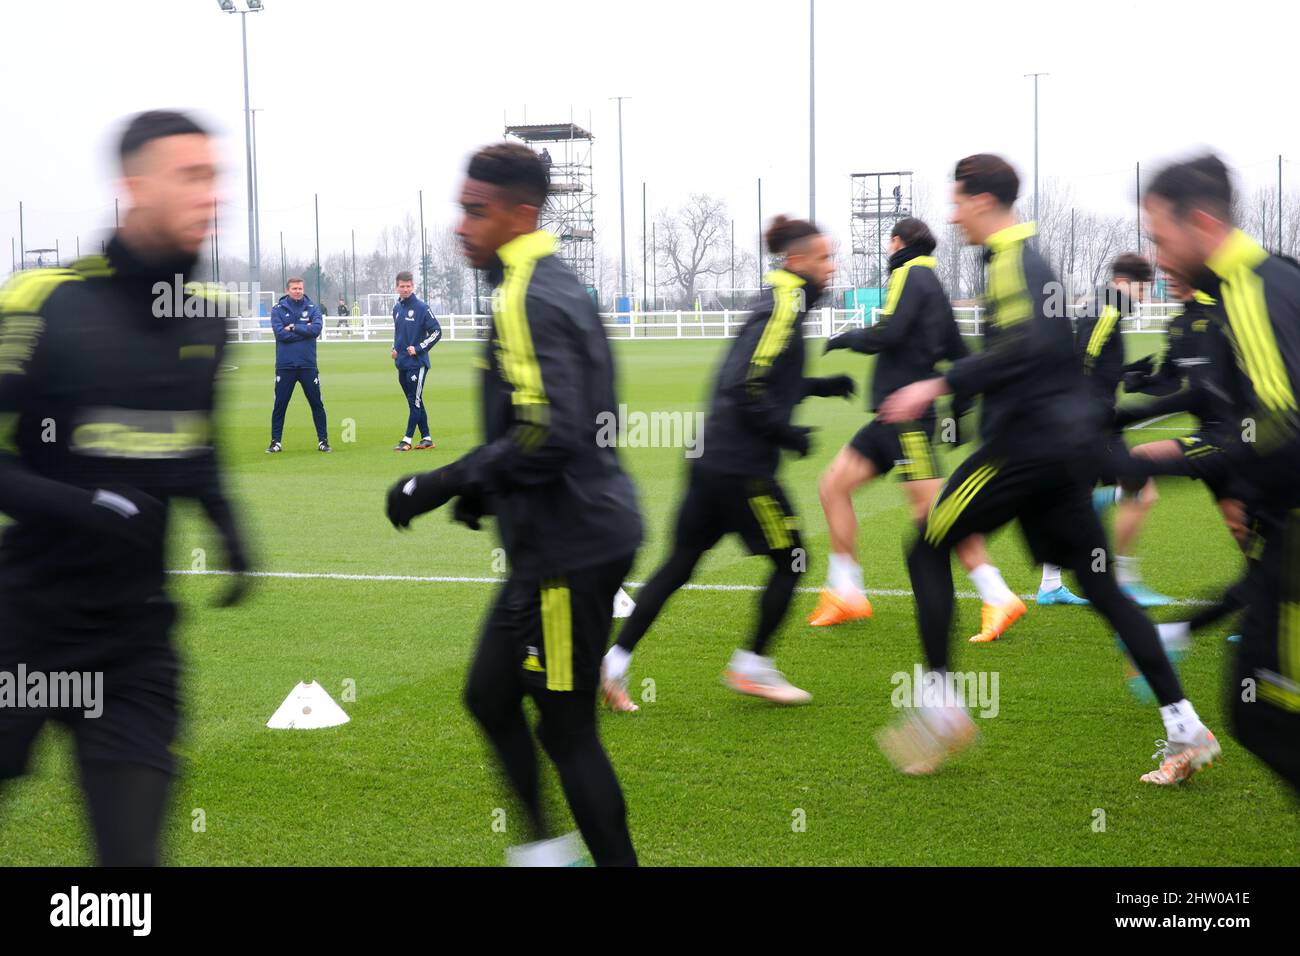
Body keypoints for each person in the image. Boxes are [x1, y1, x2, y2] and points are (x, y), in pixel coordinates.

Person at [876, 153, 1217, 783]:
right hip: (1062, 457)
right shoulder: (1023, 261)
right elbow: (1039, 351)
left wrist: (938, 385)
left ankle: (943, 708)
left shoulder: (1013, 259)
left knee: (925, 547)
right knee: (1103, 588)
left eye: (956, 201)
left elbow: (1031, 346)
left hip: (1021, 453)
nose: (951, 216)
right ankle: (1186, 729)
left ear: (982, 200)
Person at [0, 110, 249, 865]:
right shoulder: (43, 302)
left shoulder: (208, 324)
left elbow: (192, 450)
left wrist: (225, 524)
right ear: (134, 187)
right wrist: (83, 506)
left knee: (131, 872)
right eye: (191, 177)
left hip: (136, 643)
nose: (212, 197)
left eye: (215, 178)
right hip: (25, 627)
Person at [386, 143, 642, 865]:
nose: (461, 225)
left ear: (520, 213)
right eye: (461, 208)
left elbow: (551, 432)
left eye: (476, 211)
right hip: (551, 538)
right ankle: (544, 853)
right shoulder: (546, 282)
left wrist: (440, 484)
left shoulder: (529, 291)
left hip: (572, 547)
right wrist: (488, 492)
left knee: (566, 731)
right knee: (489, 697)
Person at [600, 215, 854, 712]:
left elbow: (765, 378)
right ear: (797, 260)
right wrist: (787, 432)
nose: (832, 267)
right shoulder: (785, 304)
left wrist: (819, 386)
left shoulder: (780, 302)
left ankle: (613, 665)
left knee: (677, 566)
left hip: (709, 460)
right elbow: (745, 384)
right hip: (742, 470)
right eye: (825, 258)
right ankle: (753, 666)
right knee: (792, 559)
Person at [1120, 154, 1300, 791]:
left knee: (1263, 712)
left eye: (1161, 239)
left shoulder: (1250, 290)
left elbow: (1280, 428)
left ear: (1201, 224)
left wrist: (1164, 457)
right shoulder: (1257, 283)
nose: (1158, 256)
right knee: (1259, 709)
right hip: (1279, 528)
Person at [813, 216, 1035, 636]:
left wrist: (847, 338)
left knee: (936, 516)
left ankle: (998, 595)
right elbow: (957, 348)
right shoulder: (933, 286)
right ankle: (846, 592)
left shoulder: (909, 273)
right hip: (888, 418)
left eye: (888, 243)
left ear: (898, 242)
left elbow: (888, 333)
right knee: (833, 486)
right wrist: (963, 404)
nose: (887, 252)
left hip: (908, 420)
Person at [267, 276, 330, 453]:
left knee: (317, 404)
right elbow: (280, 334)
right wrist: (305, 330)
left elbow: (316, 330)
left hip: (308, 365)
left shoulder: (313, 308)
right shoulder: (278, 309)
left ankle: (323, 441)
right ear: (288, 290)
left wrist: (293, 327)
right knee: (280, 405)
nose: (298, 291)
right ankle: (275, 442)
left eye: (300, 288)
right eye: (294, 289)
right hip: (285, 366)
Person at [390, 270, 441, 451]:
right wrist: (394, 348)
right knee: (414, 401)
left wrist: (419, 348)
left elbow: (437, 331)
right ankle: (426, 438)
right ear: (397, 287)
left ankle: (407, 440)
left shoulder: (422, 308)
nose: (405, 289)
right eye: (402, 286)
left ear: (413, 286)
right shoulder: (396, 309)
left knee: (415, 401)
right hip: (402, 363)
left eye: (408, 286)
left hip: (418, 364)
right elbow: (398, 333)